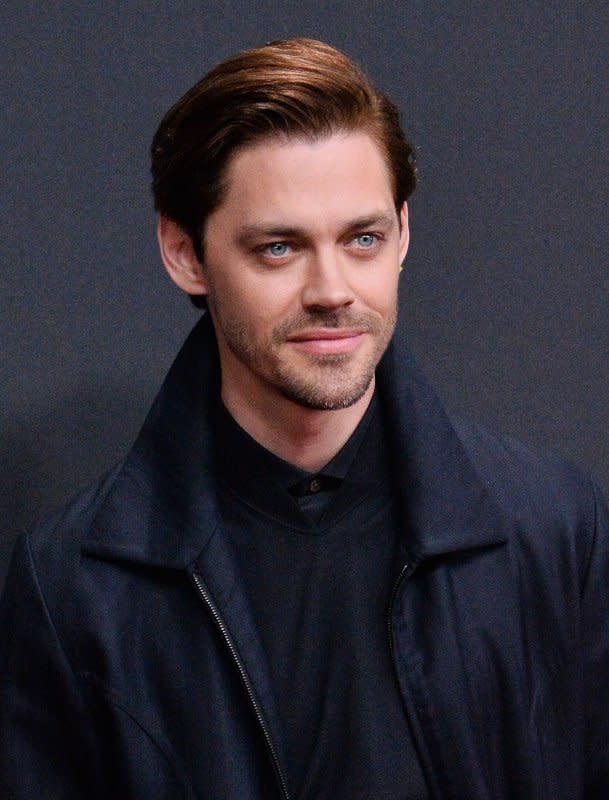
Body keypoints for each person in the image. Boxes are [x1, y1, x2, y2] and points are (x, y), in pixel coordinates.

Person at [1, 37, 608, 800]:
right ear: (184, 253)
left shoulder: (554, 530)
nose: (332, 289)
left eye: (362, 239)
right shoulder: (71, 587)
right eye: (279, 247)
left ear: (403, 234)